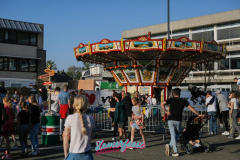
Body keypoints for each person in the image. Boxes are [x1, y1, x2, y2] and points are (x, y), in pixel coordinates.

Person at [161, 88, 203, 157]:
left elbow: (162, 103)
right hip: (178, 120)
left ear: (173, 94)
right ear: (180, 94)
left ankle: (171, 147)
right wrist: (198, 114)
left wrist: (165, 111)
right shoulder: (183, 101)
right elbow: (191, 108)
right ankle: (175, 150)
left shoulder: (171, 100)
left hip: (171, 119)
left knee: (173, 135)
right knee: (176, 135)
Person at [63, 95, 95, 160]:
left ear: (74, 105)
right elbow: (90, 137)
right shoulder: (91, 119)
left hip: (73, 154)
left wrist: (66, 155)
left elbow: (65, 138)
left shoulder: (70, 118)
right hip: (87, 154)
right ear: (86, 106)